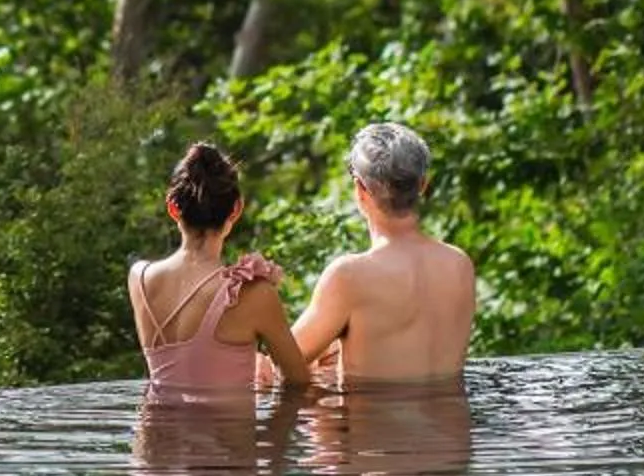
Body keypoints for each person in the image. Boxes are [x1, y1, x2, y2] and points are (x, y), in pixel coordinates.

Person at [282, 121, 475, 385]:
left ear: (360, 189)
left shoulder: (349, 276)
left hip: (376, 425)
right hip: (448, 425)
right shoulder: (459, 264)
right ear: (423, 185)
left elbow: (282, 363)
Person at [128, 142, 317, 395]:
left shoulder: (138, 277)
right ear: (236, 209)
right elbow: (298, 384)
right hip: (226, 435)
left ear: (173, 208)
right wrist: (273, 433)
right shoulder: (252, 294)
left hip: (152, 434)